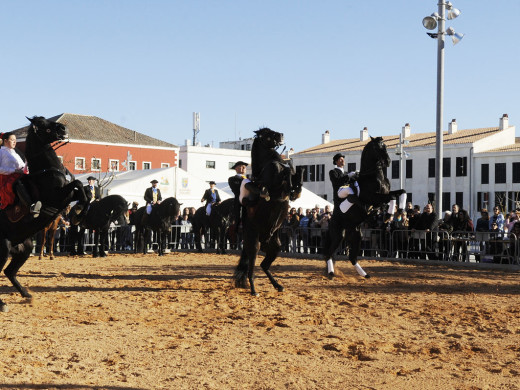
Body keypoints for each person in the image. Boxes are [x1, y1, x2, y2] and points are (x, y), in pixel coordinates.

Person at [0, 132, 41, 217]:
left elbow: (22, 166)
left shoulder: (15, 153)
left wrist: (27, 165)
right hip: (5, 179)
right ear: (5, 141)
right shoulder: (1, 152)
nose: (15, 142)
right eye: (12, 140)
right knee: (18, 183)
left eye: (15, 140)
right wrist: (14, 170)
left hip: (19, 175)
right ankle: (31, 206)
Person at [228, 161, 248, 226]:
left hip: (250, 200)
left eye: (244, 167)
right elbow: (236, 190)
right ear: (236, 169)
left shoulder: (249, 178)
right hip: (240, 200)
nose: (243, 168)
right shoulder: (232, 179)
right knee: (238, 217)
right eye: (241, 166)